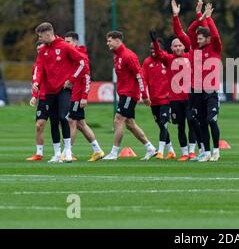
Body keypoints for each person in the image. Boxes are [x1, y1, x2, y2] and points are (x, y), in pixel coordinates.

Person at [33, 22, 86, 163]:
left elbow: (82, 63)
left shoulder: (64, 46)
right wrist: (36, 82)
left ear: (48, 34)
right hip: (49, 91)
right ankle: (57, 154)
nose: (40, 39)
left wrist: (72, 79)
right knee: (54, 122)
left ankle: (67, 151)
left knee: (64, 117)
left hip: (64, 89)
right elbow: (38, 67)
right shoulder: (43, 50)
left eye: (41, 36)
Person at [154, 3, 200, 161]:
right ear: (171, 48)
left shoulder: (190, 56)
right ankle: (184, 153)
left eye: (180, 45)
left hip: (189, 97)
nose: (178, 47)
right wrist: (155, 42)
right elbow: (159, 54)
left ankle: (193, 151)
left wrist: (176, 17)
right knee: (180, 126)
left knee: (192, 122)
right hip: (174, 99)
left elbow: (180, 33)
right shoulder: (168, 59)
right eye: (175, 45)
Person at [178, 1, 222, 162]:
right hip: (196, 90)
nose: (198, 40)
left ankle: (216, 150)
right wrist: (200, 17)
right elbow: (190, 30)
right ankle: (207, 152)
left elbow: (215, 35)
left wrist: (208, 18)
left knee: (211, 120)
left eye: (201, 38)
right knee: (201, 122)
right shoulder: (196, 48)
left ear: (208, 39)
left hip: (210, 90)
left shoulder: (215, 48)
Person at [102, 31, 157, 160]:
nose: (107, 43)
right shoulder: (117, 57)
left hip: (130, 94)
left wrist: (144, 95)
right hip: (124, 94)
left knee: (118, 119)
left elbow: (140, 76)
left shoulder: (128, 56)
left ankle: (114, 153)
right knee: (130, 124)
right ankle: (150, 148)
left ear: (117, 41)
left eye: (109, 41)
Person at [63, 32, 104, 161]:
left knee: (71, 121)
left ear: (75, 42)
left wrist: (84, 96)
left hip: (78, 95)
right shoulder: (73, 56)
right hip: (75, 94)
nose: (66, 44)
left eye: (68, 42)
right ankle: (97, 150)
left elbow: (87, 77)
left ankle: (67, 152)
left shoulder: (81, 57)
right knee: (81, 124)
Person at [142, 32, 176, 160]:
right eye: (150, 48)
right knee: (161, 125)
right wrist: (144, 95)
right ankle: (171, 151)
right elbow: (143, 79)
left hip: (166, 100)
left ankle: (160, 152)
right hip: (154, 101)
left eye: (155, 48)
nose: (152, 51)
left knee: (163, 123)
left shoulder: (167, 60)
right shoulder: (147, 62)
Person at [26, 41, 49, 161]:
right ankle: (39, 153)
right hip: (44, 99)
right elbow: (35, 82)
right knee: (39, 125)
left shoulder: (54, 62)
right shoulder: (36, 66)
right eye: (38, 50)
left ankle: (67, 151)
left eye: (42, 49)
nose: (40, 52)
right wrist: (35, 96)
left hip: (57, 97)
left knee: (65, 123)